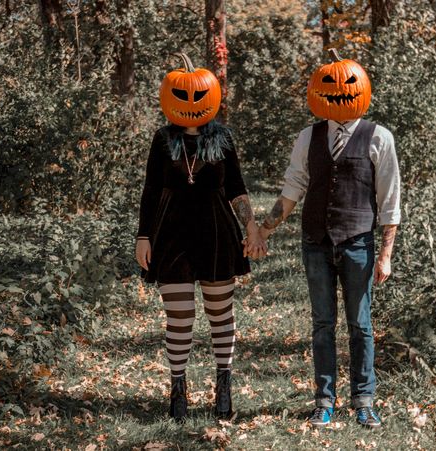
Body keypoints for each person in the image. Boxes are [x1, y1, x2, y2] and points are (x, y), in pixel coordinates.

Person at [258, 49, 400, 428]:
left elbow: (390, 202)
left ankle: (363, 399)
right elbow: (293, 188)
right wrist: (264, 227)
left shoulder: (378, 137)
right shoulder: (309, 137)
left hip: (358, 243)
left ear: (360, 89)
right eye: (329, 86)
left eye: (347, 85)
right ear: (318, 93)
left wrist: (386, 254)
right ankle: (324, 400)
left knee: (361, 325)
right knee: (323, 325)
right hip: (316, 244)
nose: (339, 92)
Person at [135, 53, 266, 422]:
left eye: (198, 96)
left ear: (211, 97)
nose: (191, 103)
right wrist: (143, 236)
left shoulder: (222, 137)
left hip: (217, 233)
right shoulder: (162, 140)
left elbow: (237, 188)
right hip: (172, 236)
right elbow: (149, 190)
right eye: (183, 95)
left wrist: (251, 226)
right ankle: (178, 390)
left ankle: (223, 386)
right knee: (179, 318)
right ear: (170, 97)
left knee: (219, 314)